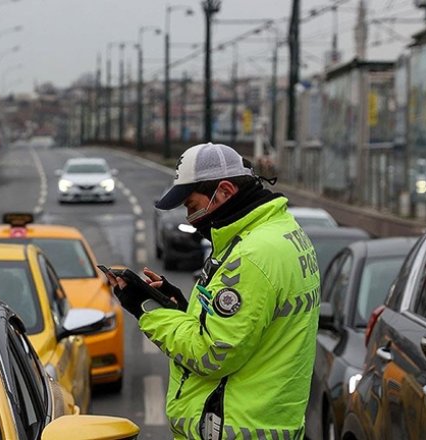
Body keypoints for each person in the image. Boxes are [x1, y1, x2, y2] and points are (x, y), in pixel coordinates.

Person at [106, 143, 320, 439]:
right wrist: (181, 311)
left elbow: (212, 355)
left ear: (225, 193)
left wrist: (147, 309)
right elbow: (248, 328)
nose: (189, 218)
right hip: (269, 422)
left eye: (192, 206)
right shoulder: (284, 233)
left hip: (235, 427)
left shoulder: (251, 257)